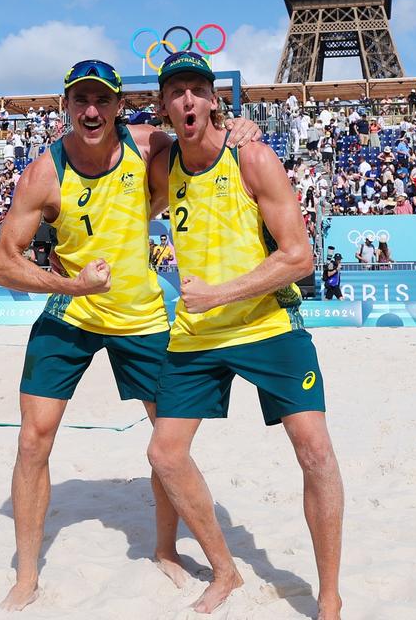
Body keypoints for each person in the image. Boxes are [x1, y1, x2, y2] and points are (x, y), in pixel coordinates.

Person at [0, 58, 259, 612]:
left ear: (118, 106)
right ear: (66, 105)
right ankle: (26, 575)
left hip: (140, 315)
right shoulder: (44, 172)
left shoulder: (147, 145)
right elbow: (1, 265)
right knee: (33, 440)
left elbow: (206, 138)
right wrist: (70, 285)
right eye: (80, 100)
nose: (91, 111)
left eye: (102, 101)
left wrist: (239, 126)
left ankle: (173, 552)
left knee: (168, 449)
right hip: (72, 314)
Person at [147, 51, 343, 619]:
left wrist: (220, 293)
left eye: (196, 90)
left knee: (315, 451)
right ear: (163, 104)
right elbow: (114, 138)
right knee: (164, 452)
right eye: (174, 91)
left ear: (213, 99)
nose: (186, 100)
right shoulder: (164, 165)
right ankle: (226, 570)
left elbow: (300, 256)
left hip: (266, 323)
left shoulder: (252, 157)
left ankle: (328, 597)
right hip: (199, 332)